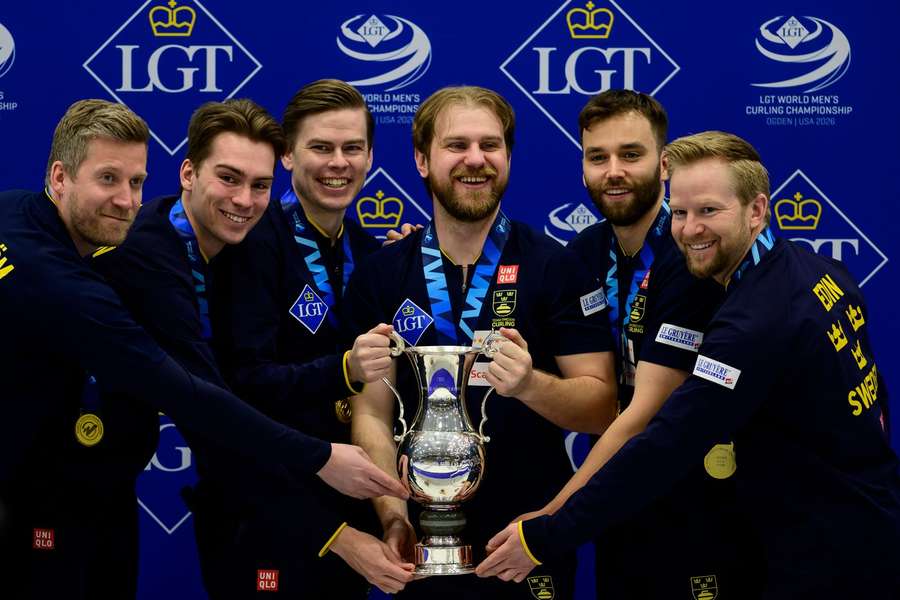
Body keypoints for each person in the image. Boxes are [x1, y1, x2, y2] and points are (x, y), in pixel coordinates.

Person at [0, 98, 405, 600]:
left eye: (259, 186)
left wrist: (399, 266)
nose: (244, 199)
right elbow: (198, 399)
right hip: (45, 497)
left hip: (99, 491)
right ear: (188, 173)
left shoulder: (21, 210)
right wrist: (322, 463)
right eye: (229, 178)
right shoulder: (139, 259)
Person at [476, 131, 900, 599]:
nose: (689, 229)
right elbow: (875, 394)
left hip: (829, 558)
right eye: (679, 212)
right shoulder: (818, 268)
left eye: (709, 211)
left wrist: (545, 536)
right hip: (864, 519)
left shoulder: (752, 325)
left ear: (756, 210)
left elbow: (666, 446)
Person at [343, 85, 618, 599]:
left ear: (509, 158)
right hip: (416, 548)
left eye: (491, 146)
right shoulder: (379, 277)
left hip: (524, 543)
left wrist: (531, 384)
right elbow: (372, 413)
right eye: (457, 145)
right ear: (423, 160)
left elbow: (602, 407)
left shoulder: (557, 267)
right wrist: (392, 516)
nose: (476, 160)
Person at [502, 90, 758, 598]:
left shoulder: (693, 249)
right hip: (618, 499)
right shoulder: (580, 254)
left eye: (631, 155)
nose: (613, 170)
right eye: (598, 157)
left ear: (664, 165)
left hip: (701, 499)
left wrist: (552, 518)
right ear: (582, 169)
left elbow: (646, 413)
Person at [207, 80, 415, 596]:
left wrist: (411, 265)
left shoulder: (375, 256)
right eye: (321, 147)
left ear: (370, 156)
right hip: (266, 506)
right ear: (287, 156)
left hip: (351, 505)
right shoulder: (251, 243)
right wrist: (342, 369)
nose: (338, 163)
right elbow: (241, 382)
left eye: (352, 148)